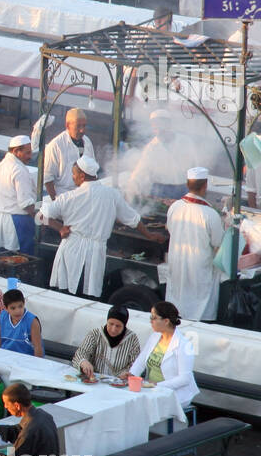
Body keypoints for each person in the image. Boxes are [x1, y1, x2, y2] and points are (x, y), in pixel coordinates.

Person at [44, 156, 155, 298]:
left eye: (74, 174)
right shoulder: (113, 195)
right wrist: (150, 235)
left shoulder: (68, 196)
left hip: (71, 248)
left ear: (82, 176)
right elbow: (133, 220)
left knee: (66, 294)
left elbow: (41, 216)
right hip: (95, 251)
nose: (73, 177)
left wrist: (60, 228)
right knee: (88, 294)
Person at [165, 167, 225, 322]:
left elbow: (170, 230)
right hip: (199, 267)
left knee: (178, 301)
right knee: (198, 305)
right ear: (205, 186)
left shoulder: (174, 207)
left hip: (177, 263)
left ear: (187, 184)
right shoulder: (210, 214)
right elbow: (218, 245)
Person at [128, 302, 199, 409]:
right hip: (151, 389)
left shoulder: (184, 345)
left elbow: (185, 378)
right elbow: (141, 361)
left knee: (140, 407)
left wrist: (157, 384)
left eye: (154, 318)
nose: (151, 321)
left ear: (166, 321)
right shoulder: (154, 337)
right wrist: (131, 375)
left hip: (174, 394)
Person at [124, 110, 197, 202]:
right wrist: (130, 188)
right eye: (155, 126)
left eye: (160, 125)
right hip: (160, 188)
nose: (157, 129)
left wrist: (196, 189)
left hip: (183, 187)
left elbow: (194, 165)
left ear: (169, 125)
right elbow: (141, 170)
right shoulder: (151, 147)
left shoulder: (185, 141)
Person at [72, 306, 140, 381]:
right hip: (95, 379)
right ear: (107, 321)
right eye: (111, 324)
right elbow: (81, 353)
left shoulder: (132, 339)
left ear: (124, 326)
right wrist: (83, 362)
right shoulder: (95, 334)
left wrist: (127, 373)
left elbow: (136, 363)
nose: (113, 329)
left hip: (118, 382)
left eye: (118, 326)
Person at [0, 133, 35, 254]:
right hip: (19, 222)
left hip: (2, 220)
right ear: (16, 151)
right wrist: (43, 221)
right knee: (23, 259)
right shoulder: (19, 170)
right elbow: (26, 204)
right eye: (27, 153)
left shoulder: (0, 167)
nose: (30, 156)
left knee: (3, 258)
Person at [41, 108, 94, 199]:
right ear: (67, 125)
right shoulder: (55, 145)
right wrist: (56, 201)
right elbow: (48, 178)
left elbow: (93, 170)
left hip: (85, 196)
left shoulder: (87, 142)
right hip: (64, 196)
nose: (82, 130)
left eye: (84, 126)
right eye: (78, 126)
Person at [0, 288, 42, 356]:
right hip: (5, 355)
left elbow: (38, 347)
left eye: (20, 306)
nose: (17, 311)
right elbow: (0, 339)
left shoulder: (32, 321)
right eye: (13, 308)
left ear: (24, 303)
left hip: (26, 359)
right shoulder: (3, 316)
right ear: (5, 308)